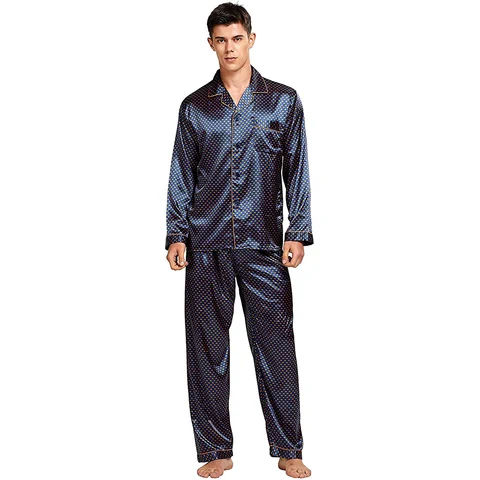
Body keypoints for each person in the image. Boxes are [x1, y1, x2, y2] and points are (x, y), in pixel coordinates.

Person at [165, 3, 313, 478]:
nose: (229, 48)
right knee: (206, 348)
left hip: (264, 243)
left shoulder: (283, 102)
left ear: (251, 38)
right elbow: (181, 175)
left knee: (276, 345)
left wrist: (298, 232)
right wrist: (176, 234)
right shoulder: (194, 107)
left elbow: (298, 169)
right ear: (210, 44)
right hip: (205, 242)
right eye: (220, 40)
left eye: (236, 38)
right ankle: (215, 449)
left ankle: (288, 447)